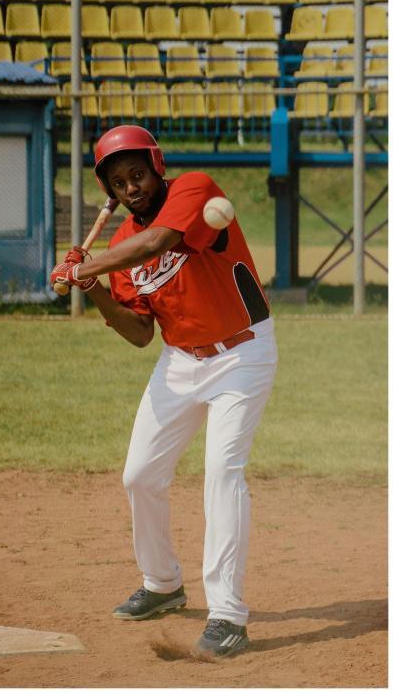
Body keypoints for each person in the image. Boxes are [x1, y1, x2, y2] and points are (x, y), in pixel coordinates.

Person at [51, 125, 277, 657]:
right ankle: (162, 584)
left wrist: (85, 263)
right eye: (119, 181)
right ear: (110, 190)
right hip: (179, 362)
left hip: (242, 354)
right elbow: (138, 333)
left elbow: (159, 242)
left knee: (223, 473)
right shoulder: (118, 245)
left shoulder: (194, 190)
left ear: (156, 166)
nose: (132, 187)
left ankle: (227, 616)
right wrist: (93, 287)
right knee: (140, 475)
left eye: (138, 174)